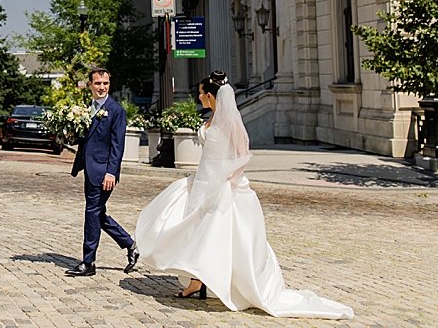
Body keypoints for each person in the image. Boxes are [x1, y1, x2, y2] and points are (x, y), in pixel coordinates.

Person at [134, 71, 354, 319]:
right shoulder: (212, 118)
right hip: (203, 182)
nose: (198, 97)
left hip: (222, 186)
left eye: (200, 94)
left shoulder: (229, 122)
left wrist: (228, 180)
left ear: (209, 95)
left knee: (216, 235)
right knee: (192, 227)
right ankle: (198, 279)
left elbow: (242, 152)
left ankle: (216, 280)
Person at [65, 67, 139, 277]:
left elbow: (118, 145)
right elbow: (85, 137)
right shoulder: (87, 109)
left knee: (92, 212)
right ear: (90, 85)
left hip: (104, 172)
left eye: (105, 83)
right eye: (97, 83)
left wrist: (111, 173)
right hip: (89, 168)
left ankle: (89, 262)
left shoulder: (116, 111)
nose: (102, 87)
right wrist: (71, 134)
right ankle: (130, 245)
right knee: (98, 213)